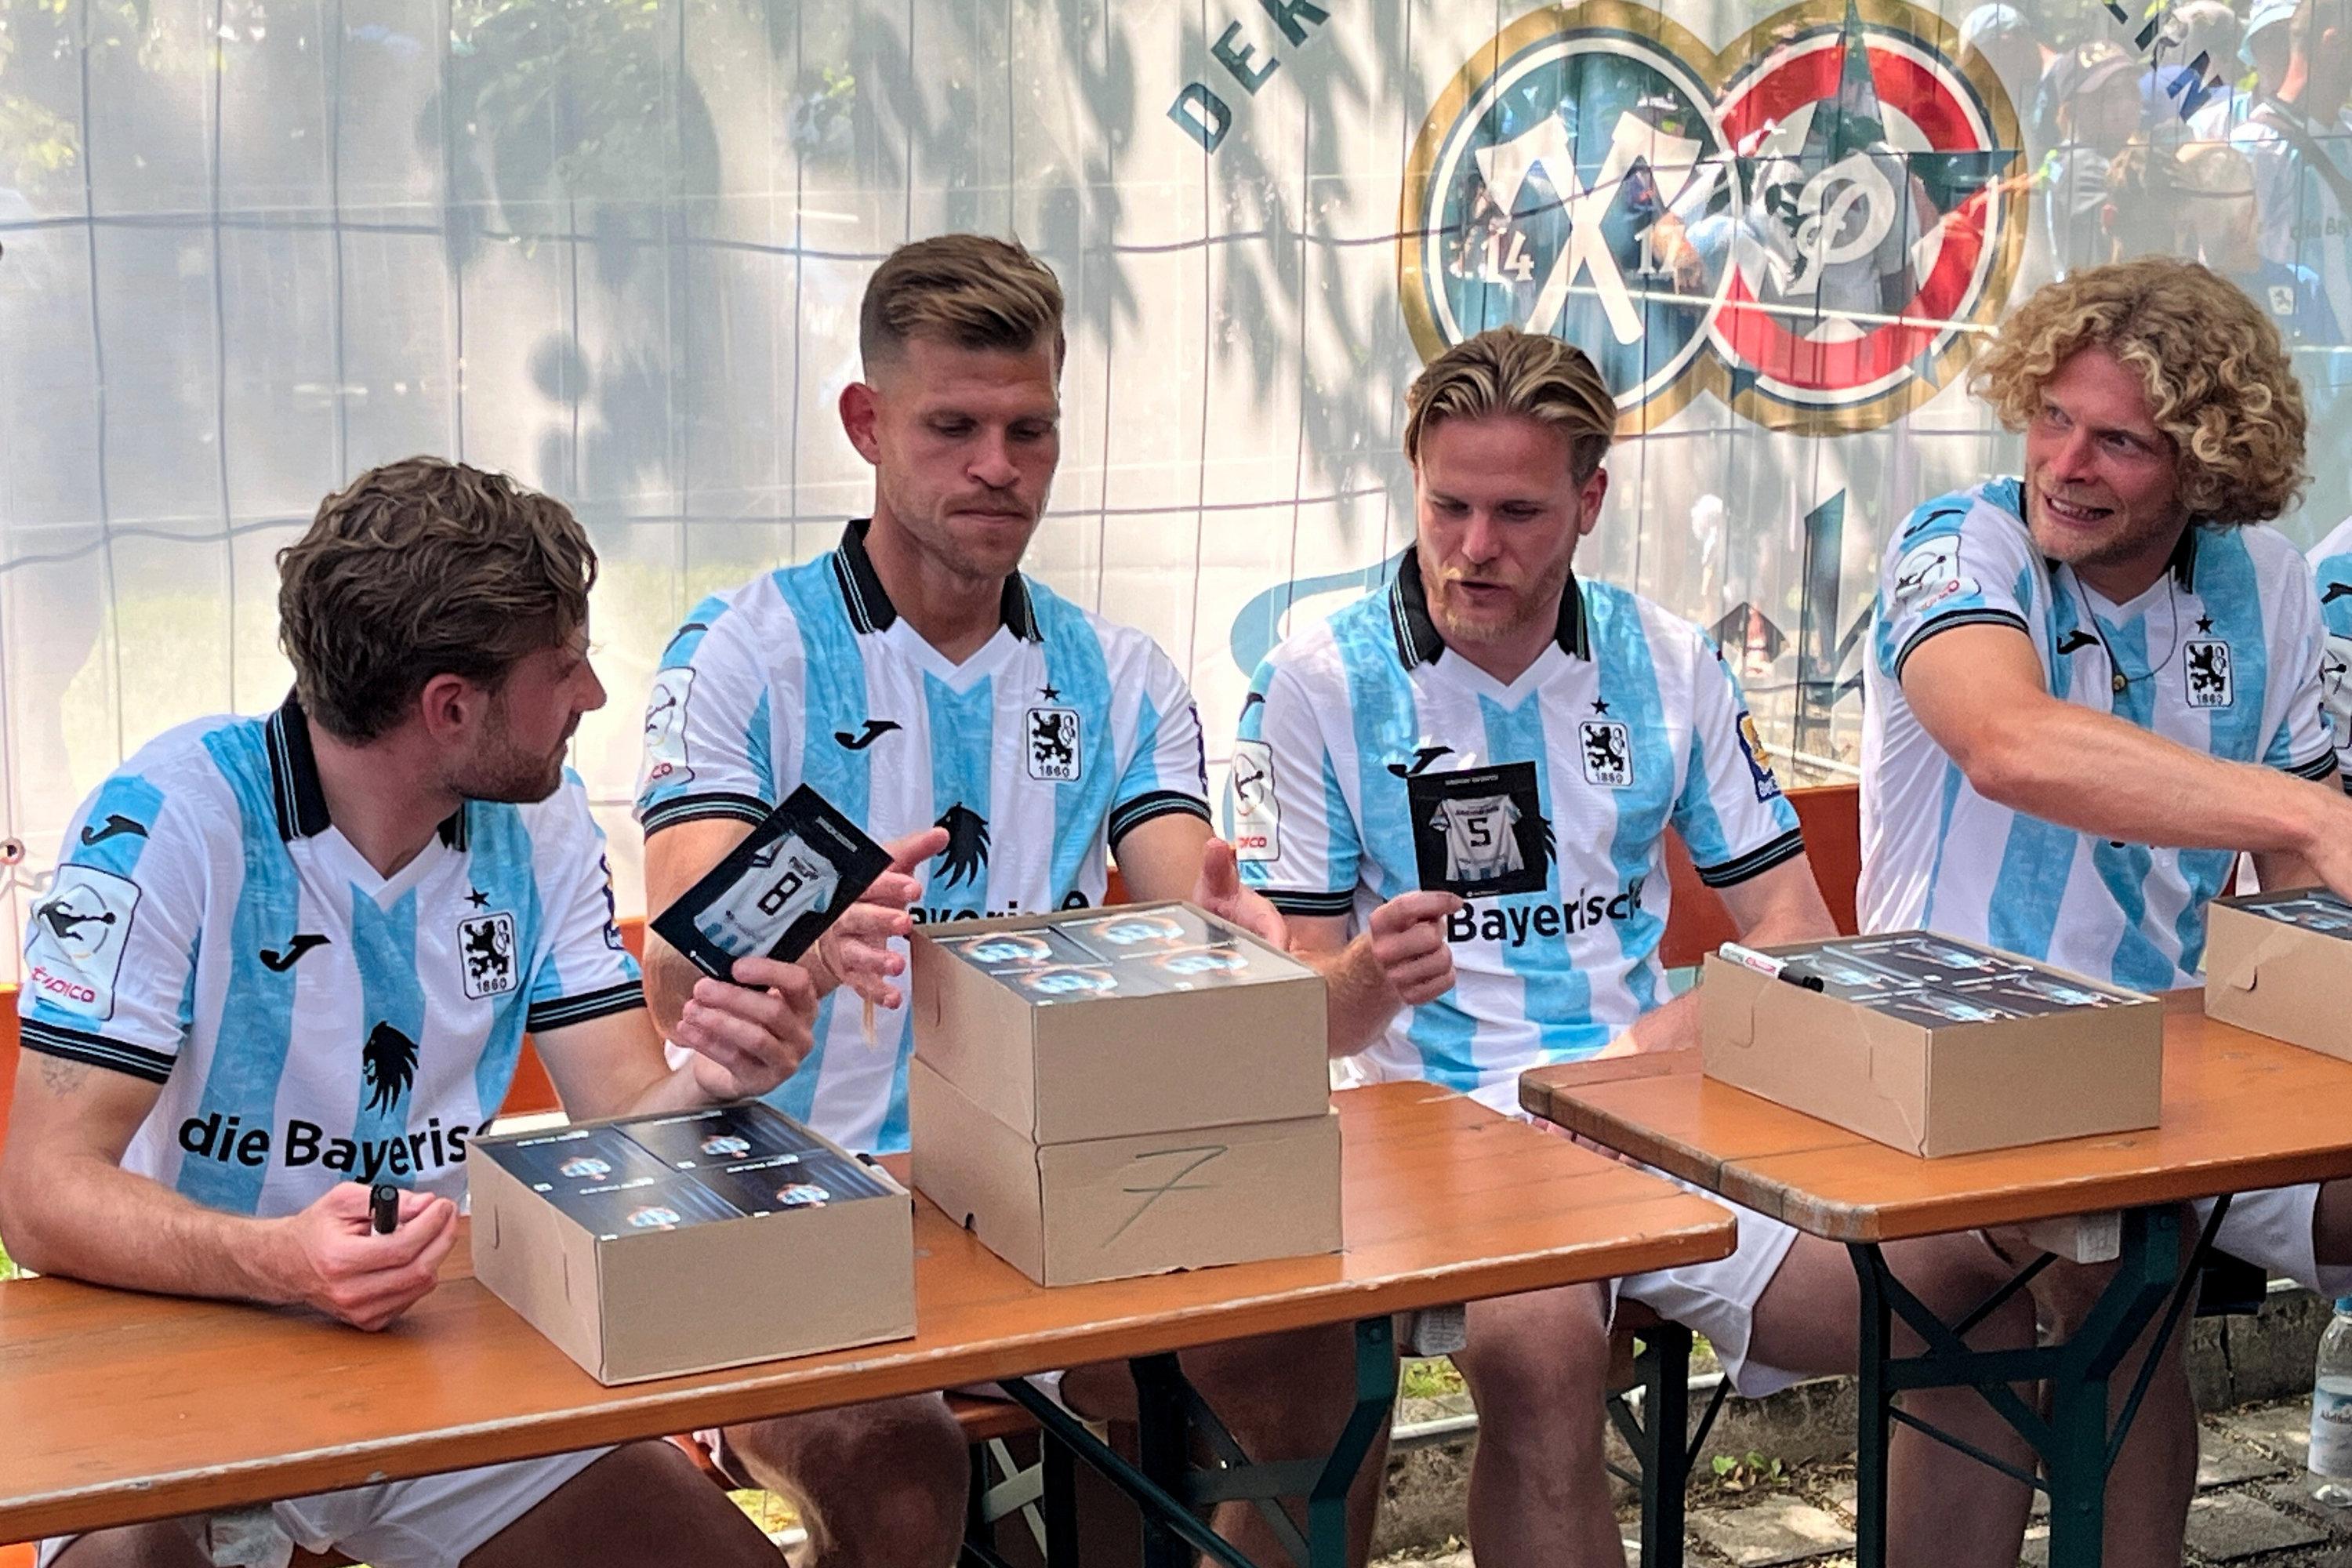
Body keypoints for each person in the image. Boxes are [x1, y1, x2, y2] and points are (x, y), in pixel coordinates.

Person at [1233, 325, 2038, 1568]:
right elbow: (1294, 1011)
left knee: (1972, 1306)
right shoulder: (1316, 676)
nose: (1473, 546)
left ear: (1590, 502)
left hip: (1650, 1108)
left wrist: (1663, 1040)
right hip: (1434, 1126)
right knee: (1543, 1347)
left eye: (1517, 512)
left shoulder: (1666, 658)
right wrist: (1362, 981)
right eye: (1447, 506)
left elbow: (1796, 930)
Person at [633, 233, 1382, 1568]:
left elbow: (1198, 904)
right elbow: (681, 962)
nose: (998, 465)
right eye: (954, 427)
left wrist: (1250, 951)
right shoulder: (744, 647)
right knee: (894, 1463)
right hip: (797, 1194)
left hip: (1053, 1185)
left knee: (1315, 1364)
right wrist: (798, 939)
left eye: (1029, 429)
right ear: (867, 424)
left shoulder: (1119, 671)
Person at [0, 459, 809, 1568]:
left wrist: (716, 1073)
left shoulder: (543, 819)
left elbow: (623, 1117)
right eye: (565, 666)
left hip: (431, 1346)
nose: (592, 696)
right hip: (178, 1347)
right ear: (450, 707)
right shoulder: (169, 819)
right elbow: (40, 1197)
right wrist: (280, 1261)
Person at [1859, 255, 2352, 1563]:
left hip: (2183, 1061)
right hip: (1945, 1048)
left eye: (2118, 442)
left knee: (2136, 1234)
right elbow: (2007, 744)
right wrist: (2305, 815)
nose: (2066, 465)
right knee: (2114, 1243)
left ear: (2206, 461)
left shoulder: (2267, 580)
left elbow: (2303, 898)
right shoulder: (1959, 543)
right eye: (2051, 418)